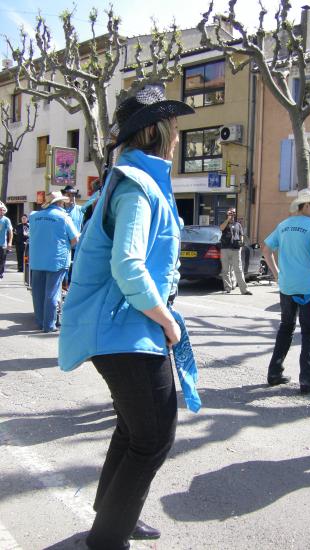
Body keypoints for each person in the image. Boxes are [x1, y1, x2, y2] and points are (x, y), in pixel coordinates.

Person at [59, 84, 197, 550]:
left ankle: (116, 512)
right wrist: (168, 320)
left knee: (134, 430)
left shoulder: (135, 178)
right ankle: (108, 537)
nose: (178, 136)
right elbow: (129, 264)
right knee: (153, 438)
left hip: (125, 328)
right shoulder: (137, 185)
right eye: (174, 127)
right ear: (159, 132)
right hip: (126, 331)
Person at [262, 189, 310, 394]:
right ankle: (306, 380)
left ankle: (274, 373)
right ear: (307, 205)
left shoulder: (283, 225)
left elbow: (266, 250)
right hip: (308, 287)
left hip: (286, 286)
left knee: (286, 327)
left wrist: (276, 274)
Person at [29, 191, 79, 332]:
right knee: (52, 293)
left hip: (37, 259)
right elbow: (75, 239)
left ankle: (39, 321)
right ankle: (49, 325)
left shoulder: (34, 216)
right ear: (59, 203)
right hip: (56, 260)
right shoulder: (63, 217)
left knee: (38, 293)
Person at [219, 208, 252, 295]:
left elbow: (241, 235)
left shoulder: (238, 224)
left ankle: (244, 290)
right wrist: (228, 219)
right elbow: (221, 228)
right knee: (225, 270)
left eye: (234, 212)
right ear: (227, 213)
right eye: (230, 212)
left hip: (236, 250)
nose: (232, 214)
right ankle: (227, 288)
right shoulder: (224, 223)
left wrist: (240, 245)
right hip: (225, 249)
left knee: (239, 270)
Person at [0, 201, 13, 279]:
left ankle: (0, 272)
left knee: (2, 260)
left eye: (2, 210)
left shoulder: (6, 220)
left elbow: (10, 231)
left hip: (3, 244)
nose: (1, 211)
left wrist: (10, 242)